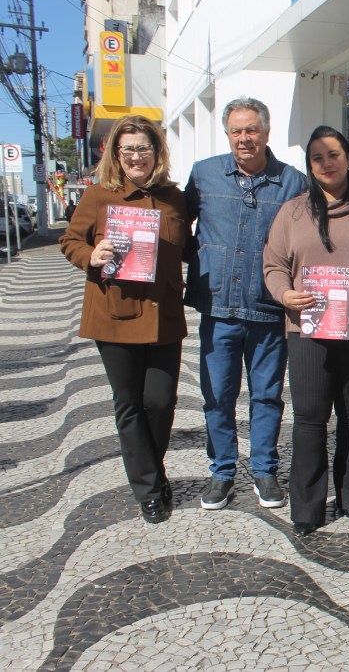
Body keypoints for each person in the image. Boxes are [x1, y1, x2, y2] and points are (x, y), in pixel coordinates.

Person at [59, 115, 188, 524]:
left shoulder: (174, 198)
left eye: (143, 148)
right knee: (129, 403)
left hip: (164, 315)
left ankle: (152, 471)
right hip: (115, 312)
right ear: (116, 153)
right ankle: (149, 488)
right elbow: (70, 240)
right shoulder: (99, 195)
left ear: (157, 152)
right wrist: (91, 255)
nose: (136, 156)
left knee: (161, 401)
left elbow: (190, 245)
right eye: (128, 149)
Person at [184, 97, 306, 511]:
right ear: (227, 134)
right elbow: (176, 225)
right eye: (236, 130)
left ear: (266, 132)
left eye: (252, 129)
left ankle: (265, 470)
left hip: (267, 308)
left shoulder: (292, 182)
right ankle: (221, 473)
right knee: (217, 396)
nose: (244, 138)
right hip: (218, 308)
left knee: (267, 396)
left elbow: (307, 240)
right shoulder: (204, 174)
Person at [263, 126, 349, 536]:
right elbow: (274, 263)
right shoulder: (294, 212)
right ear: (309, 166)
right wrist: (284, 294)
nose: (326, 163)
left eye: (333, 154)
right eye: (317, 157)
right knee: (310, 419)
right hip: (308, 330)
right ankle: (307, 507)